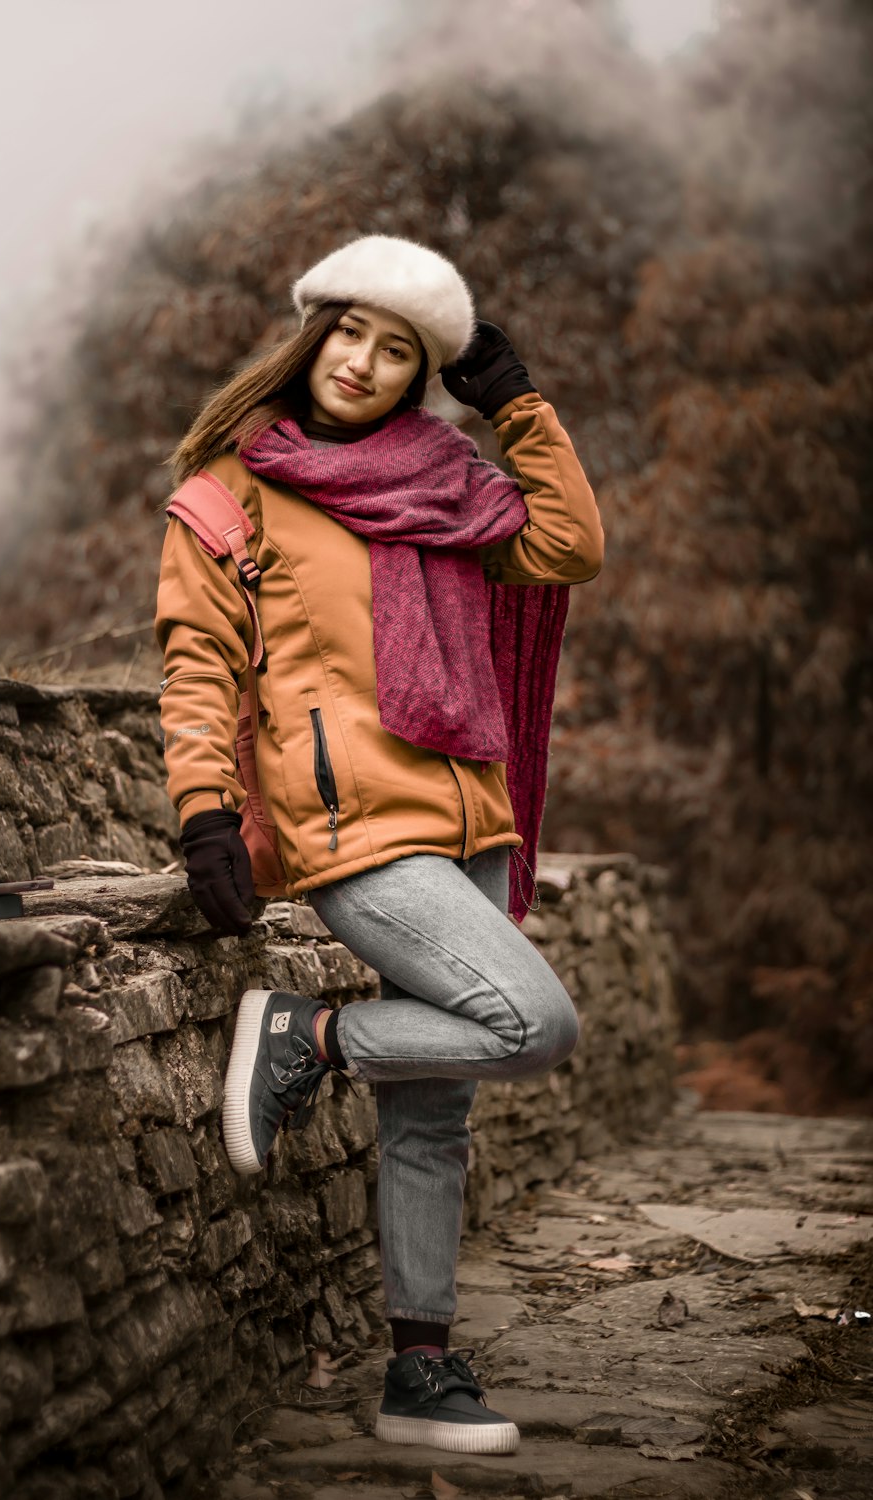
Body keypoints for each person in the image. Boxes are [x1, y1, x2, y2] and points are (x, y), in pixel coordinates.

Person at [156, 234, 604, 1455]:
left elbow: (568, 543)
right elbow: (198, 669)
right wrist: (205, 809)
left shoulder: (444, 478)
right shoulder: (229, 489)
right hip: (355, 833)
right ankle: (309, 1033)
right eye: (350, 331)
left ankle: (418, 1371)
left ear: (418, 375)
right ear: (313, 334)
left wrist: (512, 398)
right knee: (536, 1023)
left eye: (396, 348)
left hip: (473, 817)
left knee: (435, 1112)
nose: (362, 360)